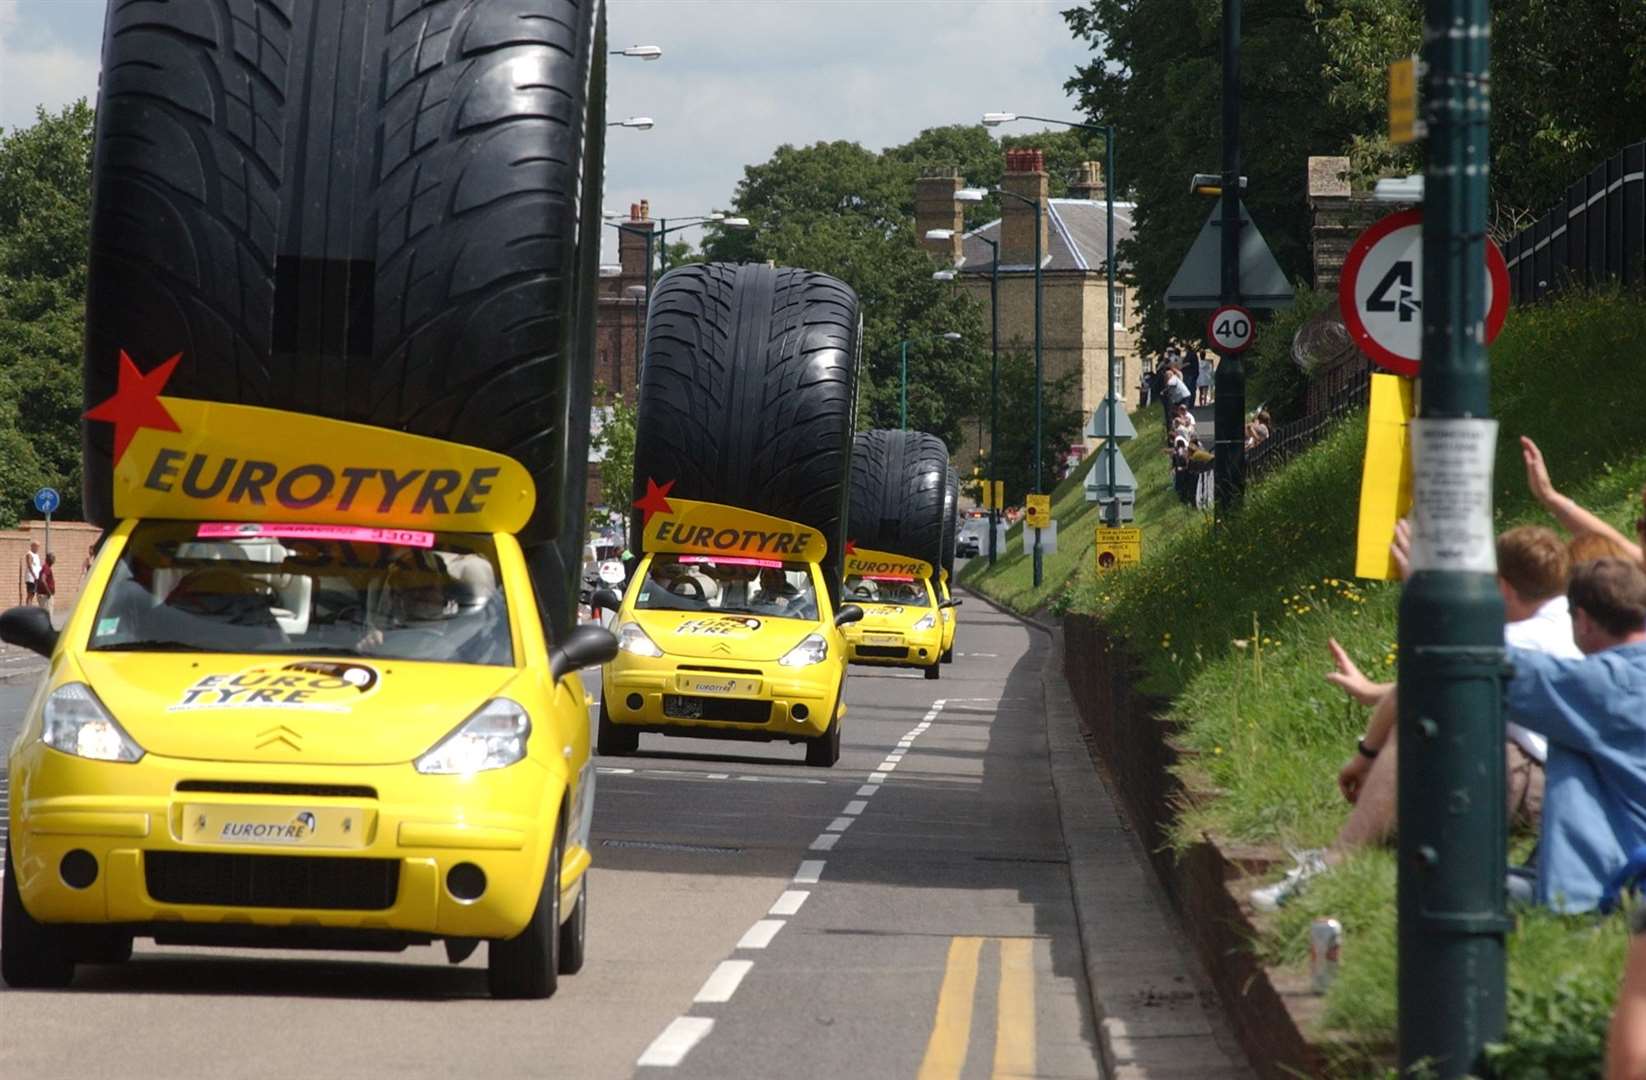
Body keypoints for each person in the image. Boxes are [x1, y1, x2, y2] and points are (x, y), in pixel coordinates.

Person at [1251, 525, 1582, 911]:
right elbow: (1462, 671)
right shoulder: (1563, 624)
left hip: (1539, 786)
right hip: (1558, 783)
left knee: (1416, 725)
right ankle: (1361, 843)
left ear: (1504, 587)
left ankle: (1334, 862)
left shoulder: (1517, 640)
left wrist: (1365, 755)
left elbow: (1423, 682)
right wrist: (1374, 691)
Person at [35, 552, 56, 618]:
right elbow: (43, 580)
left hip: (43, 595)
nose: (54, 559)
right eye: (52, 558)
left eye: (54, 558)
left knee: (45, 616)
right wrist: (48, 592)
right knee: (48, 616)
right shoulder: (46, 568)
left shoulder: (45, 567)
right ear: (47, 559)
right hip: (45, 596)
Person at [21, 540, 40, 605]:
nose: (38, 548)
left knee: (32, 594)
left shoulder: (36, 555)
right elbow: (29, 565)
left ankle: (30, 607)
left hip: (36, 577)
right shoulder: (29, 554)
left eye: (38, 547)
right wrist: (34, 575)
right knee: (30, 594)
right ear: (32, 546)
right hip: (31, 578)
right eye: (37, 546)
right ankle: (28, 609)